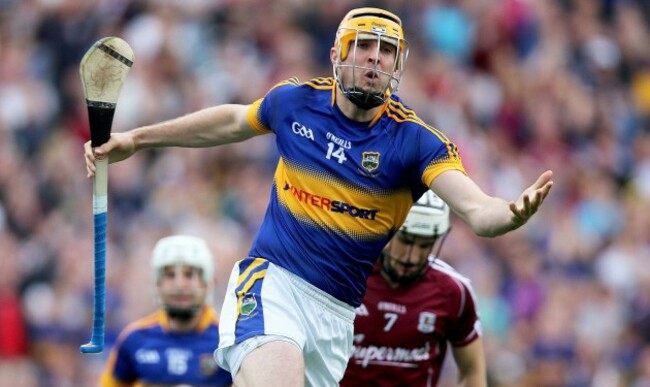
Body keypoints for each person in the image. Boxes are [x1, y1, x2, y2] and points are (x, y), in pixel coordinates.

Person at [84, 7, 553, 386]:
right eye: (364, 46)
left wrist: (510, 213)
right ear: (338, 54)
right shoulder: (295, 103)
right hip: (273, 284)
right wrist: (137, 139)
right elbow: (230, 122)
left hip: (335, 317)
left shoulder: (416, 142)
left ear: (398, 64)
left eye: (387, 51)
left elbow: (476, 208)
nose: (375, 58)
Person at [340, 191, 486, 387]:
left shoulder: (455, 291)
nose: (412, 257)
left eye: (424, 245)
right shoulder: (344, 275)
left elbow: (472, 370)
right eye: (406, 241)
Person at [99, 235, 232, 386]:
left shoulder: (229, 341)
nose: (180, 284)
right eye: (170, 275)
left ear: (209, 283)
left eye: (189, 275)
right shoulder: (133, 339)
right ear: (157, 284)